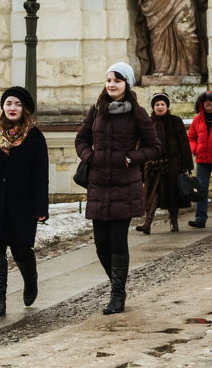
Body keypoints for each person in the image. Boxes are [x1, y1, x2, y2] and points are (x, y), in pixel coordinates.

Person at [75, 62, 161, 314]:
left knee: (117, 240)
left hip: (125, 185)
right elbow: (81, 139)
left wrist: (131, 158)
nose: (111, 84)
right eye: (109, 80)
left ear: (127, 84)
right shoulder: (96, 110)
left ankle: (117, 294)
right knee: (101, 243)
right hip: (99, 184)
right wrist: (89, 156)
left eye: (117, 80)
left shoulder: (138, 113)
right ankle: (117, 283)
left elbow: (153, 146)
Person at [0, 85, 49, 318]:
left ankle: (30, 279)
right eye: (8, 103)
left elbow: (40, 174)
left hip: (23, 202)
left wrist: (41, 207)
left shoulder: (35, 137)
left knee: (20, 248)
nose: (12, 108)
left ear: (24, 108)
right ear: (2, 107)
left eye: (17, 104)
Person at [136, 92, 193, 235]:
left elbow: (184, 144)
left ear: (167, 106)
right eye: (157, 104)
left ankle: (174, 223)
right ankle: (147, 223)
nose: (160, 107)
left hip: (172, 165)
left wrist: (186, 165)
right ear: (153, 107)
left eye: (162, 104)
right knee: (152, 194)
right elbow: (141, 144)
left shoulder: (176, 121)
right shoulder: (147, 123)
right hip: (153, 166)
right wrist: (139, 166)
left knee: (172, 195)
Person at [186, 90, 212, 229]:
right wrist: (195, 149)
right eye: (205, 101)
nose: (207, 103)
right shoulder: (197, 120)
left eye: (210, 100)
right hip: (203, 160)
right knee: (201, 189)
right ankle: (200, 218)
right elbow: (191, 137)